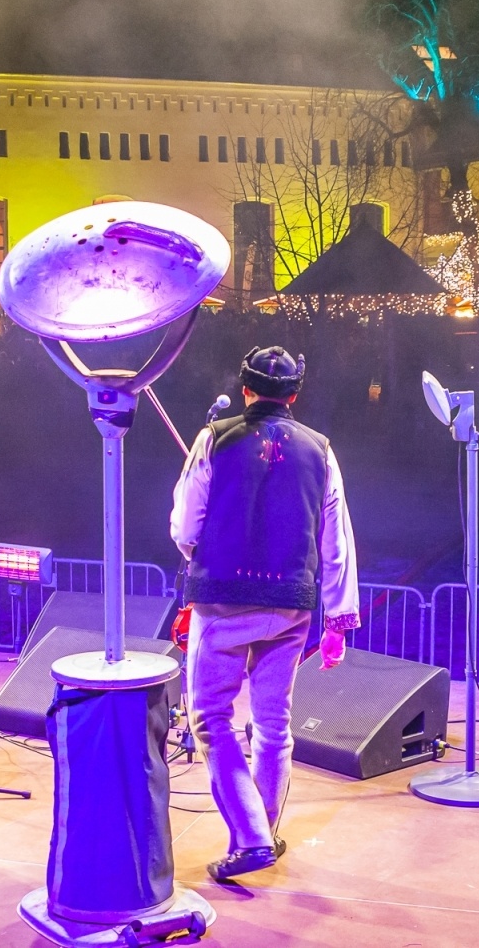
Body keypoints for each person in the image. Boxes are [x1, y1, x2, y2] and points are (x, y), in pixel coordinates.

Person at [171, 346, 361, 883]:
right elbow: (336, 539)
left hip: (223, 602)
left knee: (212, 719)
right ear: (293, 396)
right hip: (291, 607)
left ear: (246, 390)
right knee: (273, 726)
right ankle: (264, 831)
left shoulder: (214, 437)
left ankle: (251, 835)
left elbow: (185, 527)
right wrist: (338, 622)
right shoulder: (321, 450)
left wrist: (205, 558)